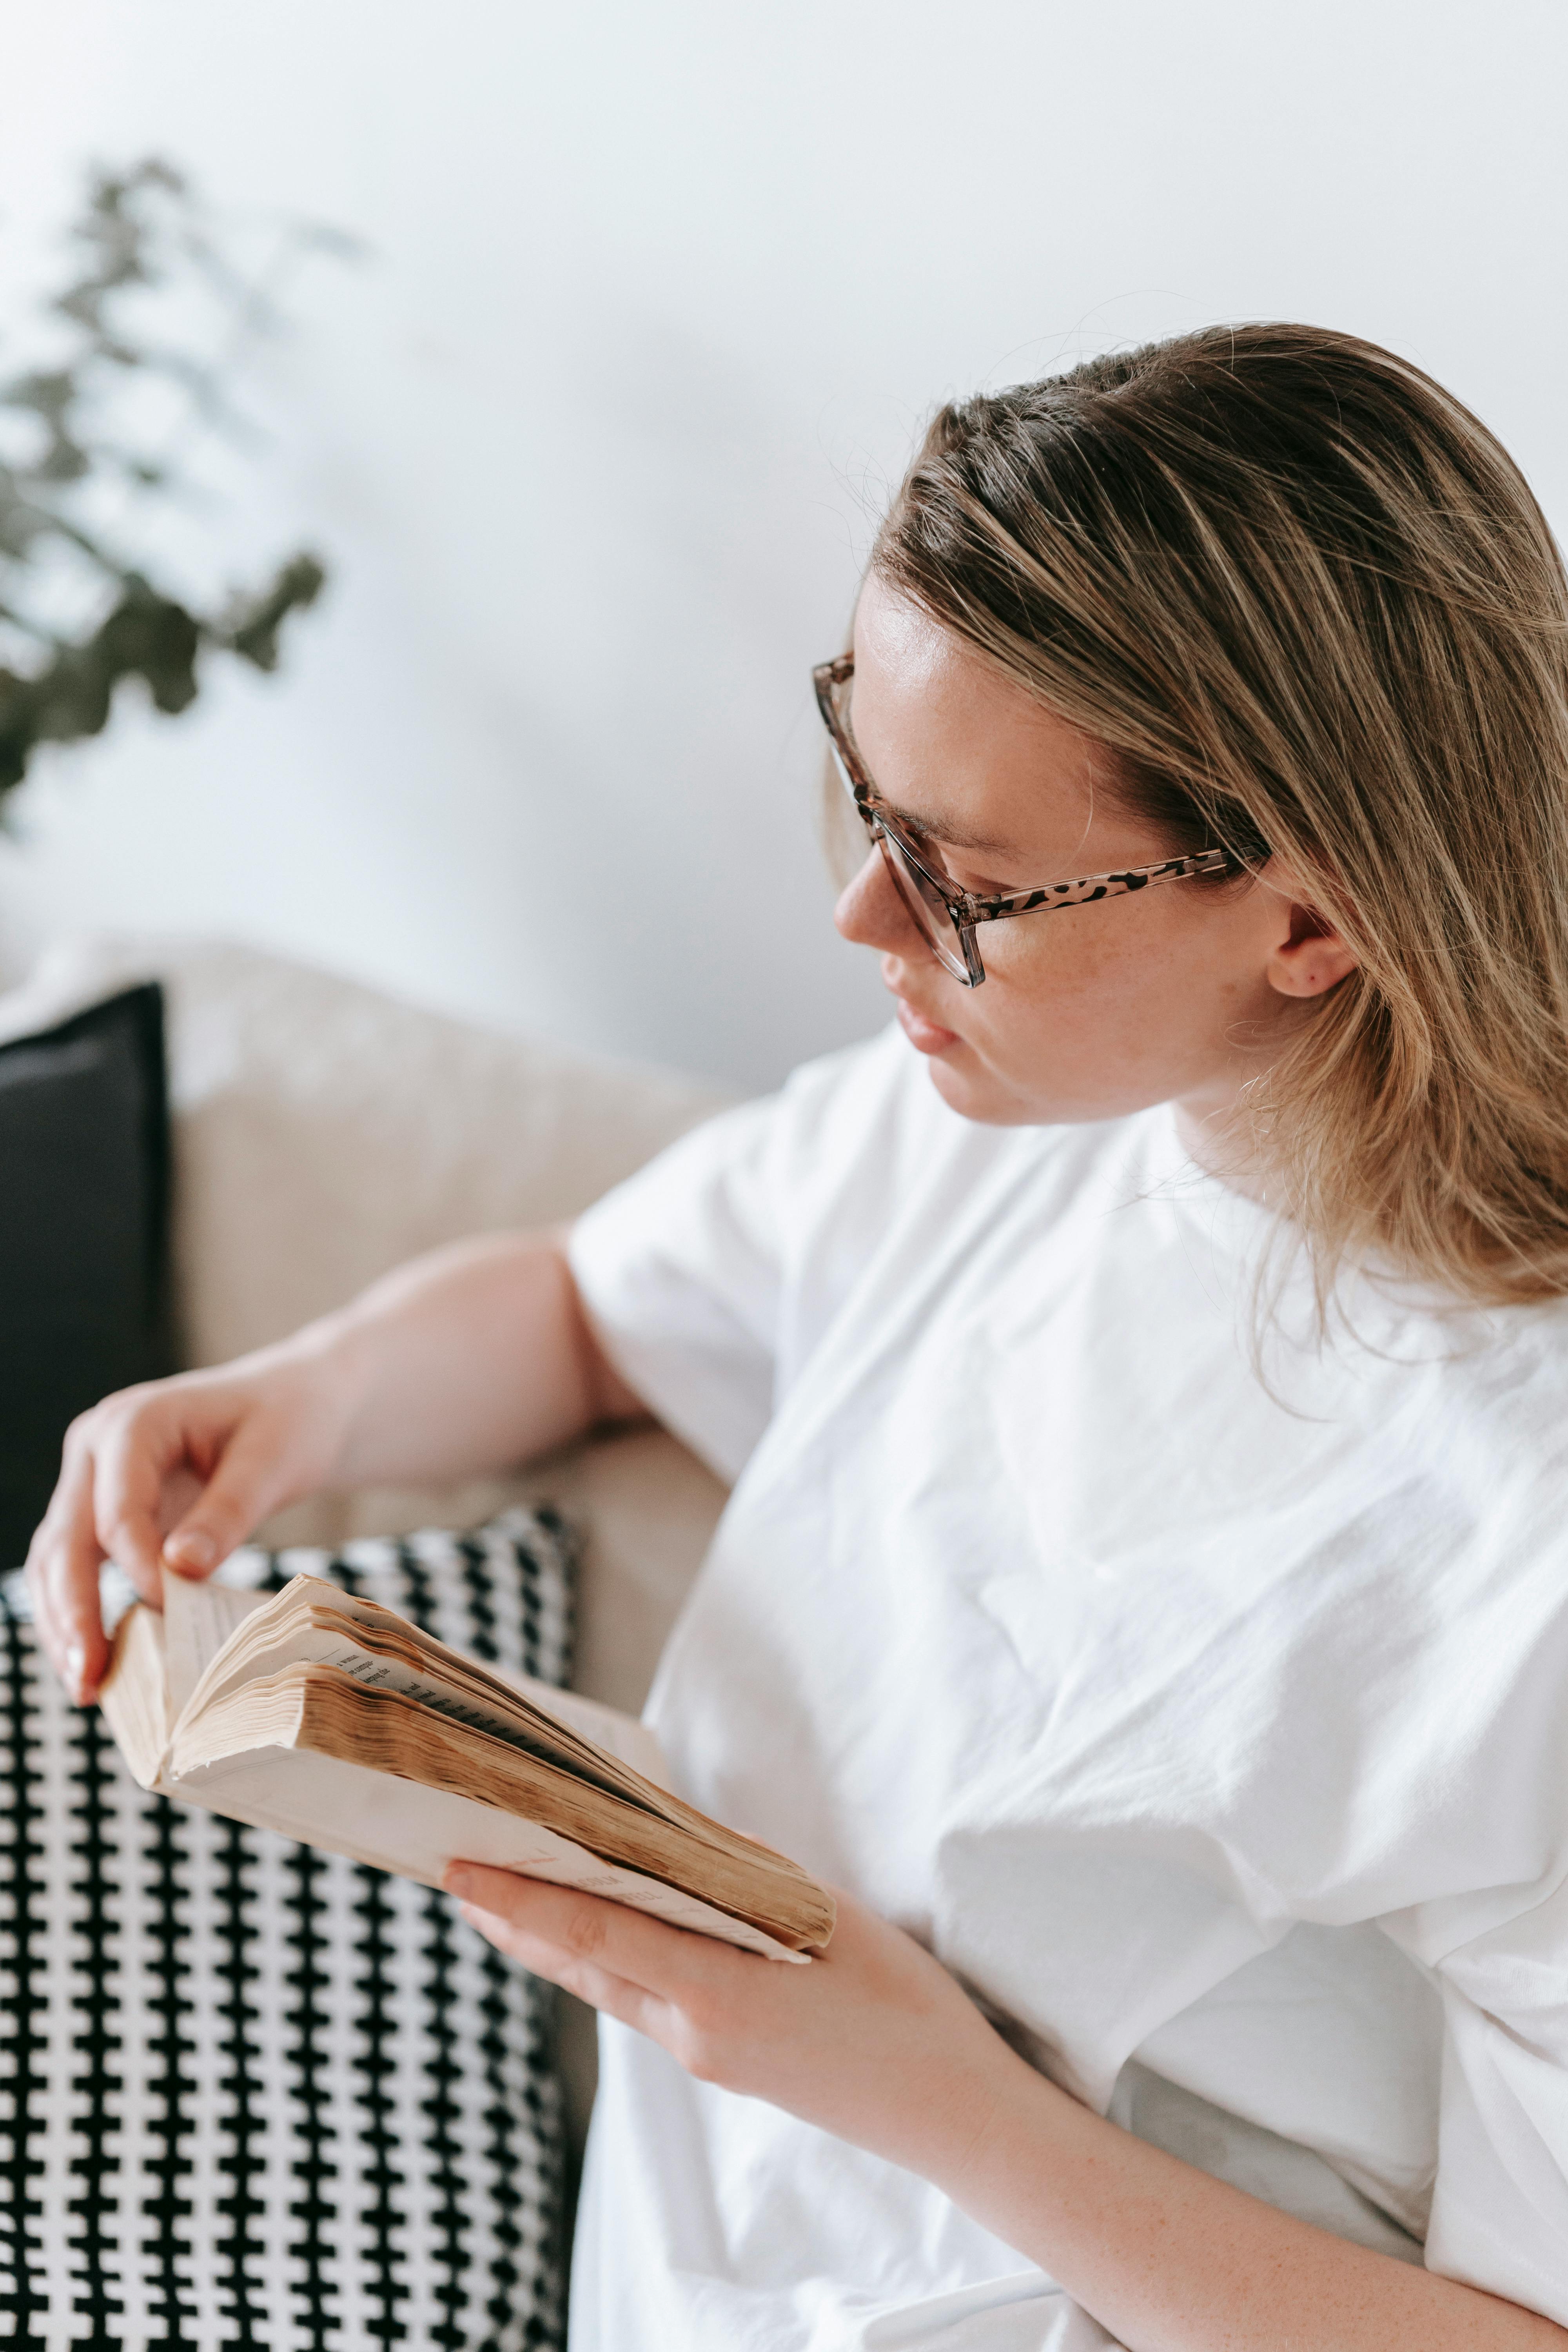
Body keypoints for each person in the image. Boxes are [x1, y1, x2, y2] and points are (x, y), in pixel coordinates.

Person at [27, 323, 1568, 2351]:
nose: (864, 921)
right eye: (869, 790)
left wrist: (928, 2095)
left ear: (1310, 921)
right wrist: (300, 1401)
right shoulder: (1000, 1125)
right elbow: (589, 1308)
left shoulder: (1520, 1536)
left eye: (968, 879)